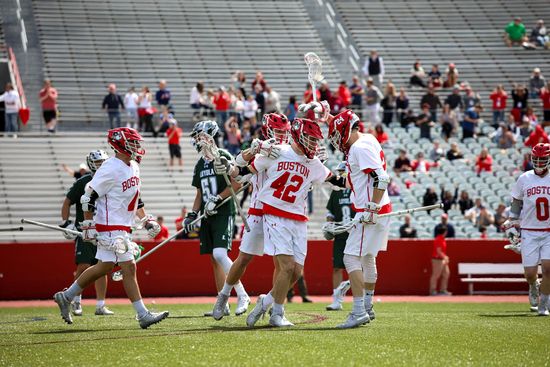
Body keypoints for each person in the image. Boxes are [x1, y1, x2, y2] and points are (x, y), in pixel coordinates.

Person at [53, 128, 168, 328]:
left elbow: (136, 199)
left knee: (103, 267)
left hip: (122, 225)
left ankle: (67, 296)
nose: (137, 147)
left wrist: (146, 220)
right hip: (109, 225)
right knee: (129, 267)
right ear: (120, 144)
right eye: (133, 143)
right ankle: (142, 314)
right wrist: (88, 224)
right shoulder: (110, 167)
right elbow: (88, 196)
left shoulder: (133, 166)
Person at [239, 115, 342, 327]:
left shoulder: (313, 163)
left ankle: (265, 301)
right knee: (285, 267)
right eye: (310, 139)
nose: (314, 143)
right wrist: (238, 161)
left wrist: (360, 181)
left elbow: (336, 181)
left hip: (298, 217)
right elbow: (243, 173)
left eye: (316, 140)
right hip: (274, 213)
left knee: (296, 272)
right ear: (298, 135)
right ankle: (277, 314)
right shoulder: (278, 151)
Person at [209, 113, 291, 320]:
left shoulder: (290, 149)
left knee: (281, 264)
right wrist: (234, 164)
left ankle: (276, 305)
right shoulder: (260, 147)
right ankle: (225, 295)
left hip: (282, 211)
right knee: (244, 257)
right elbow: (240, 168)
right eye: (278, 131)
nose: (282, 135)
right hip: (259, 208)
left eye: (284, 131)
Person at [325, 108, 392, 329]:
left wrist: (371, 208)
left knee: (351, 258)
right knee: (367, 258)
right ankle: (368, 306)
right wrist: (334, 178)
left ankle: (358, 311)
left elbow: (381, 178)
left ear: (346, 130)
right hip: (380, 208)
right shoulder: (368, 139)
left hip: (370, 210)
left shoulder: (359, 147)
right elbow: (359, 180)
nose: (336, 141)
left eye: (337, 134)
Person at [186, 120, 250, 317]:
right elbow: (199, 194)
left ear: (210, 135)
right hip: (207, 215)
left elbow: (237, 184)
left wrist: (217, 199)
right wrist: (192, 214)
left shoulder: (222, 155)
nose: (197, 140)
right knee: (214, 259)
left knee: (220, 254)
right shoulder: (199, 164)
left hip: (222, 212)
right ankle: (223, 303)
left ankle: (242, 294)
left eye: (200, 135)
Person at [59, 150, 113, 317]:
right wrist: (66, 222)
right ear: (91, 164)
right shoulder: (84, 181)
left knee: (102, 266)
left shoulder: (110, 181)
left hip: (103, 230)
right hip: (85, 230)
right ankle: (76, 300)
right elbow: (67, 201)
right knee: (83, 266)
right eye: (97, 163)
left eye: (103, 162)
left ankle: (100, 304)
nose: (101, 166)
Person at [503, 143, 550, 315]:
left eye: (542, 159)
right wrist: (512, 219)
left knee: (548, 269)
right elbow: (516, 201)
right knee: (530, 273)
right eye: (536, 159)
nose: (539, 162)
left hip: (549, 231)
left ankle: (544, 305)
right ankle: (533, 285)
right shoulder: (525, 178)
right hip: (529, 230)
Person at [324, 163, 355, 311]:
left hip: (356, 234)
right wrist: (329, 224)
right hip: (340, 234)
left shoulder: (356, 189)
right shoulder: (336, 191)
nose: (340, 174)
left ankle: (359, 299)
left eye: (342, 171)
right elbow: (330, 212)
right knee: (337, 268)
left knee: (356, 268)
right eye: (340, 172)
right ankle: (336, 299)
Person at [429, 226, 451, 296]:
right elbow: (438, 251)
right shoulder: (438, 239)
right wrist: (445, 257)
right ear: (444, 232)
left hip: (442, 259)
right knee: (436, 275)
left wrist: (444, 257)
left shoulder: (442, 239)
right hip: (437, 260)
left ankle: (443, 290)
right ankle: (432, 290)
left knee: (446, 273)